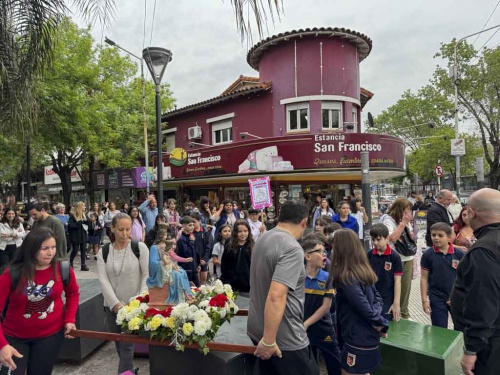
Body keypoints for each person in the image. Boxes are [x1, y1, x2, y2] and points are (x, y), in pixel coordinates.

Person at [248, 200, 319, 375]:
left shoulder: (263, 238)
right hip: (283, 338)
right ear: (304, 222)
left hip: (261, 331)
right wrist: (269, 340)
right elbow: (276, 296)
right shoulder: (292, 248)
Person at [0, 227, 80, 374]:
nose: (50, 252)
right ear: (32, 248)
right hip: (14, 338)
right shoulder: (12, 273)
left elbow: (73, 293)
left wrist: (69, 319)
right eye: (45, 248)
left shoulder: (63, 269)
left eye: (53, 247)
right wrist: (2, 345)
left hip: (50, 337)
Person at [450, 188, 500, 375]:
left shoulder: (484, 250)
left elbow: (483, 302)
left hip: (490, 344)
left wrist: (472, 349)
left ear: (471, 213)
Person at [327, 229, 388, 375]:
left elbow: (363, 307)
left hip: (357, 336)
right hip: (367, 335)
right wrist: (377, 320)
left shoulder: (347, 277)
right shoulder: (362, 270)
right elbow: (377, 299)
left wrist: (381, 323)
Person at [96, 213, 149, 374]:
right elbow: (103, 280)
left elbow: (146, 275)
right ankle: (130, 371)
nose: (125, 233)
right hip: (112, 307)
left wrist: (139, 300)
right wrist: (115, 304)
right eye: (120, 230)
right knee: (120, 345)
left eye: (128, 229)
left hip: (133, 308)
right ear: (112, 229)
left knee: (127, 346)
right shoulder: (103, 252)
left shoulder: (139, 248)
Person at [303, 239, 341, 375]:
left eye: (324, 251)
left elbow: (325, 307)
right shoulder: (298, 276)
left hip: (323, 326)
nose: (324, 254)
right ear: (308, 256)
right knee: (309, 364)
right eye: (319, 251)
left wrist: (306, 323)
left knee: (334, 360)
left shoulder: (327, 277)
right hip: (302, 328)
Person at [420, 222, 464, 329]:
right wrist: (424, 300)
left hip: (456, 297)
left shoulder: (459, 254)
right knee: (439, 329)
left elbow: (466, 278)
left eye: (440, 235)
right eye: (433, 235)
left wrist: (461, 296)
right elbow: (424, 278)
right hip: (436, 297)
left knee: (461, 328)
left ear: (449, 238)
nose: (436, 238)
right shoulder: (428, 255)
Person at [379, 198, 414, 320]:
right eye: (407, 209)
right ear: (400, 209)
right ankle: (393, 311)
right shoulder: (388, 220)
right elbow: (391, 238)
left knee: (405, 287)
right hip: (394, 258)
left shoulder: (406, 220)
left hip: (407, 257)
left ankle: (404, 312)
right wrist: (403, 223)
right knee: (392, 285)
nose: (409, 212)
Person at [368, 223, 403, 322]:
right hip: (372, 296)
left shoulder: (395, 257)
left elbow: (397, 281)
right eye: (373, 239)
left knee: (385, 323)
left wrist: (396, 303)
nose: (375, 242)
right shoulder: (369, 255)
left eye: (378, 239)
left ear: (387, 238)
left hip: (387, 298)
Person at [146, 238, 193, 304]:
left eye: (174, 244)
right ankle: (179, 297)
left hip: (169, 267)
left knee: (183, 272)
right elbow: (163, 262)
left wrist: (183, 260)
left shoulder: (168, 253)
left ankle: (186, 294)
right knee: (178, 275)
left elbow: (174, 258)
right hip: (165, 269)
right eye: (171, 246)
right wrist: (168, 262)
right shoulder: (159, 251)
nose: (173, 248)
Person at [221, 219, 253, 294]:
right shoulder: (230, 245)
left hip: (247, 284)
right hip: (231, 283)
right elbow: (224, 264)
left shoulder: (251, 246)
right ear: (235, 232)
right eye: (240, 231)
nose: (243, 234)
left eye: (245, 231)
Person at [175, 216, 200, 286]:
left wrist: (198, 264)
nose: (192, 227)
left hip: (193, 267)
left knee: (197, 288)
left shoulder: (191, 236)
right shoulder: (181, 239)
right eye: (190, 225)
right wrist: (191, 242)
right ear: (183, 226)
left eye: (193, 225)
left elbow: (195, 252)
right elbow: (187, 253)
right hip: (186, 268)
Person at [190, 212, 211, 285]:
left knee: (204, 277)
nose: (193, 224)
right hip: (195, 259)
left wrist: (205, 258)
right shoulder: (190, 233)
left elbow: (208, 246)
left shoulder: (205, 232)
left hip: (203, 258)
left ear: (199, 221)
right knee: (197, 279)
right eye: (191, 223)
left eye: (194, 222)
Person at [68, 201, 90, 271]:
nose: (85, 207)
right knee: (75, 250)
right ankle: (70, 263)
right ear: (80, 207)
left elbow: (88, 224)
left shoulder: (84, 215)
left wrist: (87, 221)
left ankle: (83, 265)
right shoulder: (73, 216)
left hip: (83, 235)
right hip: (75, 236)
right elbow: (70, 225)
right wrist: (79, 223)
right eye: (83, 206)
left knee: (83, 250)